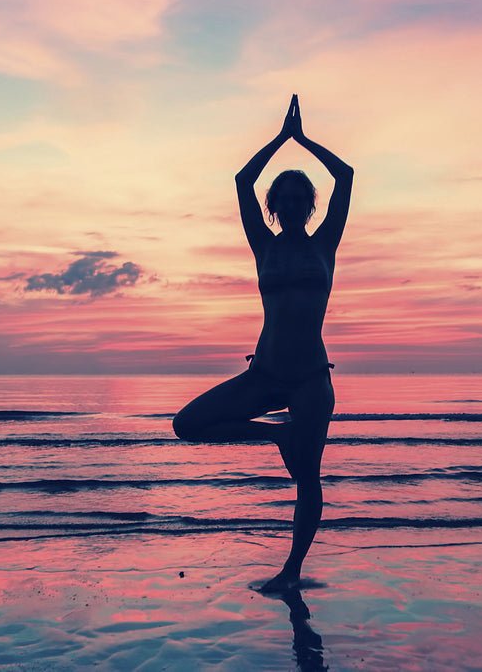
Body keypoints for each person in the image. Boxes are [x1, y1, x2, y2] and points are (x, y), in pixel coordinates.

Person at [173, 95, 354, 593]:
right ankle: (277, 435)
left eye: (302, 197)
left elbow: (347, 176)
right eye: (285, 198)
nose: (294, 204)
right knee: (186, 424)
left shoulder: (325, 244)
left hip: (311, 376)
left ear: (310, 204)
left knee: (308, 477)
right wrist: (278, 140)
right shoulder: (264, 245)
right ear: (274, 206)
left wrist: (304, 141)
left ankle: (291, 572)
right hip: (266, 371)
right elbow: (241, 182)